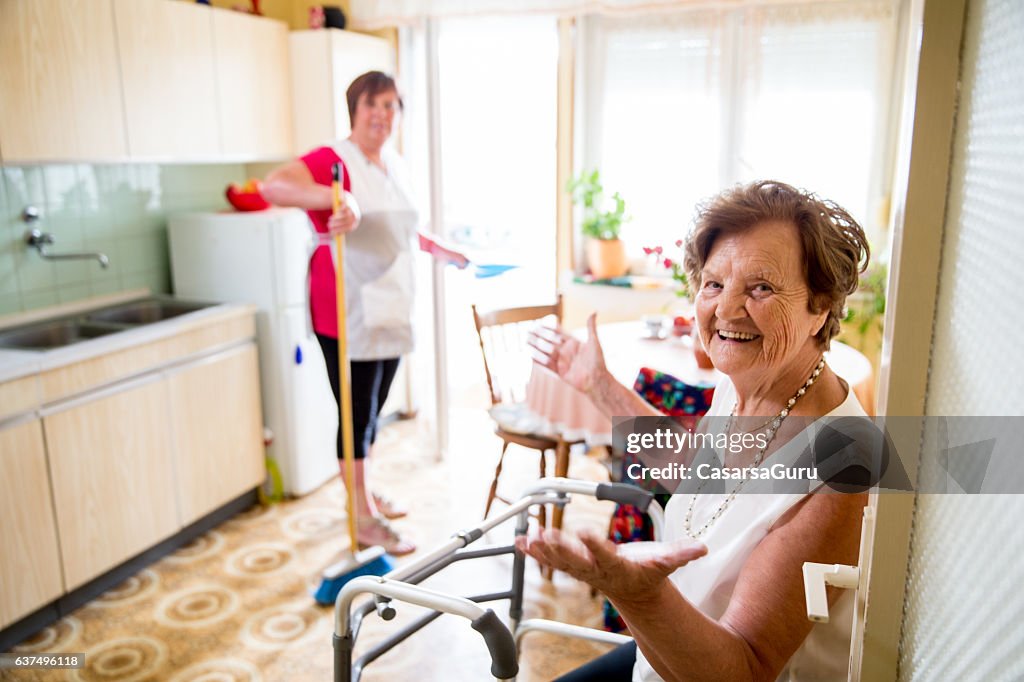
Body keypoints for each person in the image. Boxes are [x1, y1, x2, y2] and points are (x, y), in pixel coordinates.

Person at [523, 180, 871, 681]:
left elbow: (743, 670)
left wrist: (637, 594)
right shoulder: (746, 384)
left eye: (761, 287)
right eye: (713, 284)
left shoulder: (844, 465)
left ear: (819, 306)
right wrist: (599, 386)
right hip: (661, 657)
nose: (725, 311)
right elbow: (702, 475)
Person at [261, 71, 467, 556]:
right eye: (373, 104)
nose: (382, 114)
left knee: (370, 413)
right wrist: (337, 198)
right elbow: (273, 187)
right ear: (354, 108)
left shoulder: (393, 164)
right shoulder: (334, 159)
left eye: (391, 105)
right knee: (354, 415)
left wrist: (444, 251)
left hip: (391, 306)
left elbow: (401, 230)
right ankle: (361, 516)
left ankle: (364, 493)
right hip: (345, 310)